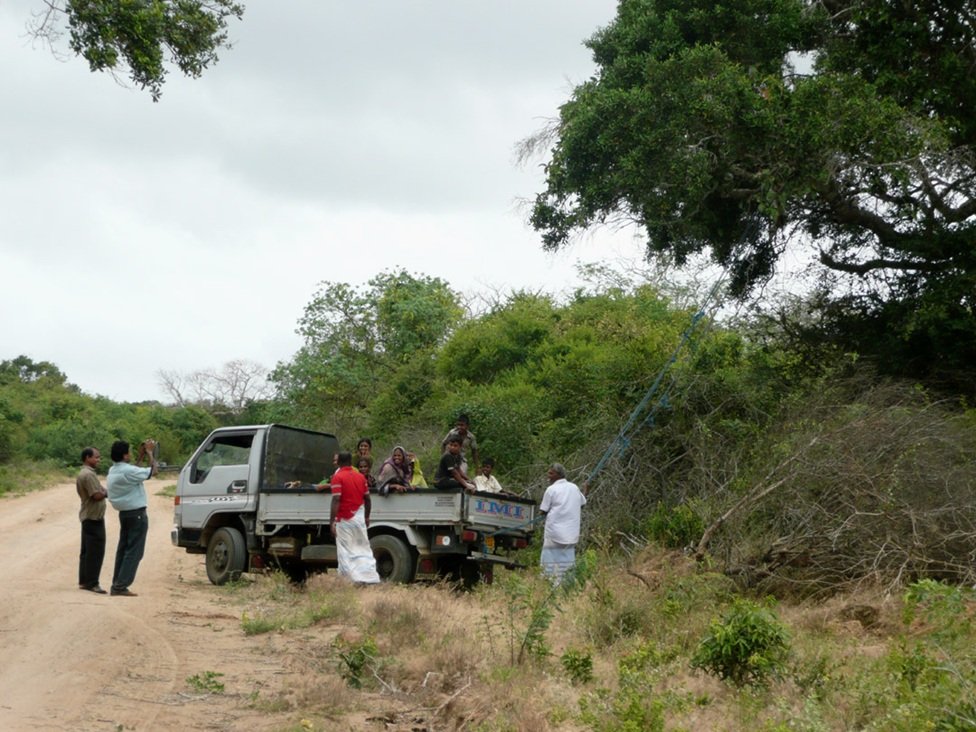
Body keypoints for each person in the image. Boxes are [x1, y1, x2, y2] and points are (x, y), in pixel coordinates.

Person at [106, 439, 158, 597]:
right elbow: (153, 471)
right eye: (129, 452)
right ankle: (120, 586)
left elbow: (133, 472)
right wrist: (150, 452)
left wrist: (140, 457)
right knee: (134, 551)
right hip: (136, 514)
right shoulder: (127, 471)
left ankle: (117, 582)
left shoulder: (113, 470)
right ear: (125, 455)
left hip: (125, 515)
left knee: (123, 550)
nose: (131, 454)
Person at [319, 451, 380, 584]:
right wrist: (367, 517)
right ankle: (369, 578)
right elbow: (368, 499)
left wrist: (331, 522)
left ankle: (349, 581)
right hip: (359, 518)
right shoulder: (361, 477)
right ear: (351, 462)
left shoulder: (338, 477)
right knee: (363, 548)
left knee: (345, 551)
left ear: (339, 462)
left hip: (344, 519)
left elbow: (336, 499)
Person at [539, 463, 587, 584]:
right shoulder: (574, 487)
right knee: (567, 563)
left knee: (549, 563)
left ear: (558, 475)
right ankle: (567, 587)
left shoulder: (551, 489)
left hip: (554, 534)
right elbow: (582, 502)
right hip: (571, 535)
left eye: (551, 473)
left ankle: (549, 586)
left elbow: (543, 511)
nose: (548, 475)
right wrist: (586, 490)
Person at [76, 446, 108, 594]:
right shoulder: (88, 475)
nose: (98, 460)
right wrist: (107, 492)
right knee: (95, 551)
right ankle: (92, 583)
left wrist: (103, 491)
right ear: (87, 458)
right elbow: (96, 495)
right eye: (96, 457)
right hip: (93, 517)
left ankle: (84, 581)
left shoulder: (86, 473)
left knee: (87, 551)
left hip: (88, 516)